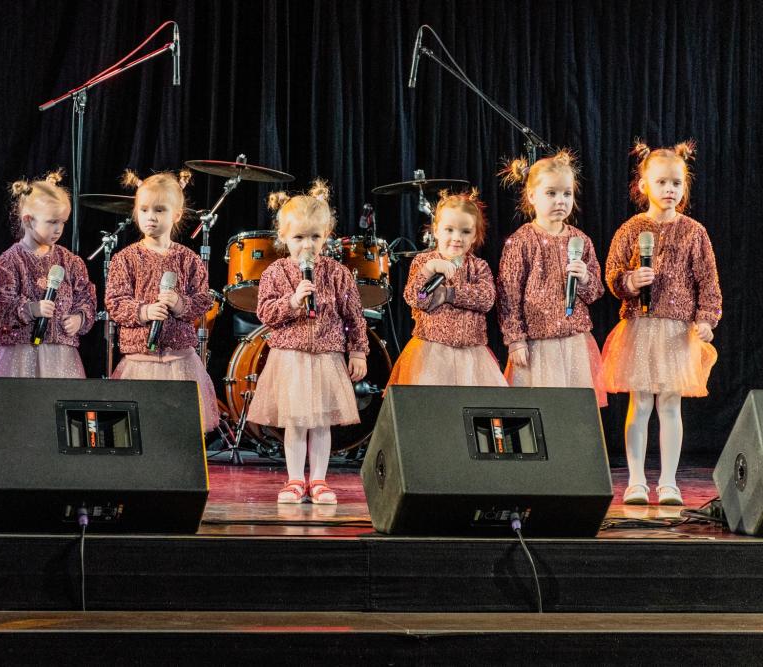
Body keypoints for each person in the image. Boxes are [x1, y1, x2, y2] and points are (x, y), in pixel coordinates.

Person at [602, 141, 721, 506]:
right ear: (644, 185)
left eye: (676, 183)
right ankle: (636, 480)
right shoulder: (631, 229)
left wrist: (706, 319)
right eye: (662, 182)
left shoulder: (694, 232)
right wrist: (629, 281)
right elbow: (612, 274)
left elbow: (709, 282)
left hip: (676, 331)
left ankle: (669, 481)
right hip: (640, 327)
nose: (670, 190)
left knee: (669, 405)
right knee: (640, 404)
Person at [248, 180, 369, 505]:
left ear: (326, 236)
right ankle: (294, 480)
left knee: (320, 423)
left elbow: (354, 316)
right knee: (296, 423)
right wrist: (292, 301)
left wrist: (358, 350)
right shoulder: (275, 272)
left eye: (315, 237)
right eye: (299, 237)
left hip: (326, 357)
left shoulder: (338, 272)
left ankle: (318, 480)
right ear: (283, 236)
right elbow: (265, 313)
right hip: (290, 358)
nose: (307, 245)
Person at [105, 170, 219, 432]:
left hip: (179, 360)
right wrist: (144, 311)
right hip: (140, 361)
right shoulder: (125, 258)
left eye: (159, 210)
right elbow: (115, 301)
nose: (151, 217)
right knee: (142, 428)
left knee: (177, 428)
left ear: (176, 215)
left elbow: (203, 299)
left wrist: (180, 304)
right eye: (144, 210)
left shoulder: (188, 259)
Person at [496, 151, 606, 405]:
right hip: (538, 343)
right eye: (551, 193)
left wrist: (585, 279)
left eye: (567, 194)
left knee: (576, 407)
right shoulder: (522, 240)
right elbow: (508, 296)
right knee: (544, 407)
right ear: (532, 196)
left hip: (575, 341)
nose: (560, 201)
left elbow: (596, 292)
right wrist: (515, 339)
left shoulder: (580, 239)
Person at [387, 188, 506, 387]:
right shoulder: (424, 262)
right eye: (449, 230)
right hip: (432, 353)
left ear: (475, 236)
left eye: (465, 231)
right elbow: (416, 298)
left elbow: (486, 299)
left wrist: (449, 294)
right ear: (436, 230)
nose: (457, 237)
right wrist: (429, 270)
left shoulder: (478, 266)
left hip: (472, 356)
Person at [0, 170, 95, 378]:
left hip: (61, 358)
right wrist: (31, 309)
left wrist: (79, 318)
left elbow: (85, 297)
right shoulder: (9, 261)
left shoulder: (70, 262)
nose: (58, 229)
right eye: (52, 222)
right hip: (21, 354)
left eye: (62, 222)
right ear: (28, 220)